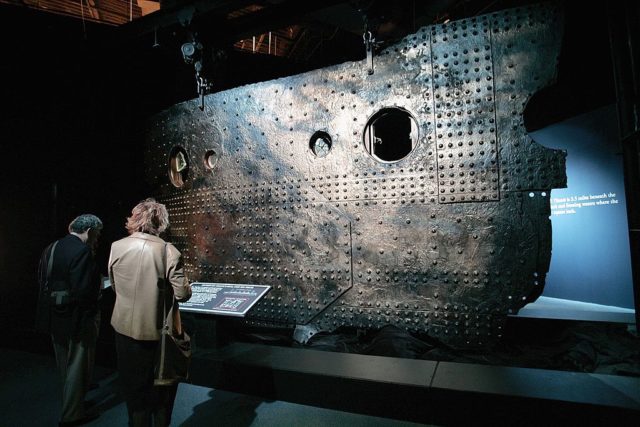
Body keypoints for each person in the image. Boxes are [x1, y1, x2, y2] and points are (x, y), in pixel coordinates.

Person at [108, 198, 191, 427]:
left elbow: (115, 287)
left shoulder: (117, 246)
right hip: (157, 336)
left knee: (134, 394)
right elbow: (182, 294)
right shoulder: (168, 251)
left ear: (135, 219)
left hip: (123, 330)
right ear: (160, 222)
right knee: (162, 395)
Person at [37, 214, 104, 427]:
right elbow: (83, 290)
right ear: (90, 230)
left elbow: (42, 278)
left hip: (54, 316)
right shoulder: (82, 251)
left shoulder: (52, 247)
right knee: (77, 366)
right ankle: (72, 415)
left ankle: (72, 402)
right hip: (76, 318)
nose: (97, 239)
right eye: (97, 234)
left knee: (64, 364)